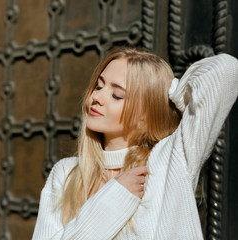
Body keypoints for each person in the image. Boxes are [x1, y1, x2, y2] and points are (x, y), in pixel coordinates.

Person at [32, 46, 238, 239]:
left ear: (144, 113)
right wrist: (113, 198)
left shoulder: (169, 160)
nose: (97, 97)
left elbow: (227, 70)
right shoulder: (66, 173)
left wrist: (171, 94)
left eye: (116, 95)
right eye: (99, 85)